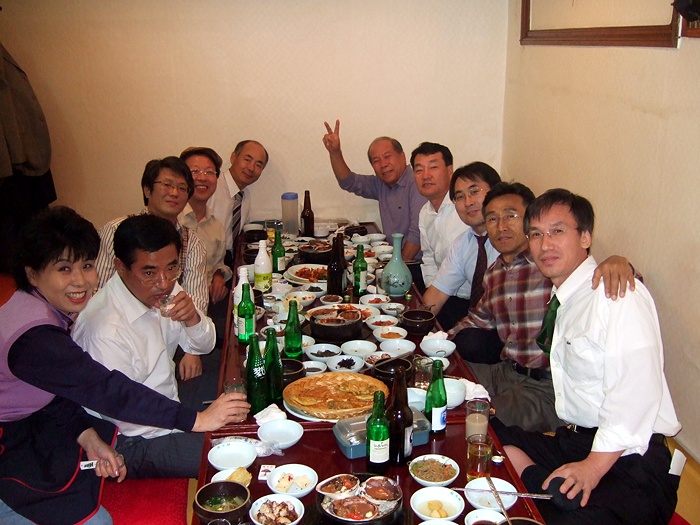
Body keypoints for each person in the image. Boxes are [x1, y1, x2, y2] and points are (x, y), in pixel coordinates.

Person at [0, 207, 248, 524]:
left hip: (58, 423)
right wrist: (196, 420)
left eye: (87, 265)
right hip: (61, 440)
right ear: (32, 274)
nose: (80, 281)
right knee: (229, 451)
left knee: (240, 402)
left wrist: (87, 437)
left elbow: (58, 394)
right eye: (64, 269)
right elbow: (110, 393)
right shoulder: (40, 337)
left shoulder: (43, 309)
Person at [499, 189, 680, 524]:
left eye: (557, 231)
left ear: (585, 237)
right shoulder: (567, 297)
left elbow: (634, 394)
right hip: (576, 440)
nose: (545, 244)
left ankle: (550, 496)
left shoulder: (617, 294)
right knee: (487, 435)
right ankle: (548, 490)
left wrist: (593, 468)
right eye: (536, 234)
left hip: (632, 459)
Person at [449, 182, 637, 432]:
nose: (501, 226)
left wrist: (619, 263)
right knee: (442, 377)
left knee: (476, 419)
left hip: (545, 387)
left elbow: (606, 284)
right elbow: (477, 318)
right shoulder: (494, 273)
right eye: (492, 219)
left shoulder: (550, 266)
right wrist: (440, 342)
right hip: (506, 371)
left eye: (510, 216)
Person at [73, 214, 245, 479]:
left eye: (172, 268)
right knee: (236, 453)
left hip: (168, 401)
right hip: (134, 437)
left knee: (244, 382)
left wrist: (193, 318)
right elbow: (127, 411)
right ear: (120, 267)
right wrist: (197, 422)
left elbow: (205, 344)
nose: (164, 283)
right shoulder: (104, 331)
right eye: (149, 273)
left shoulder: (163, 288)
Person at [94, 156, 209, 382]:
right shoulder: (116, 231)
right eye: (167, 185)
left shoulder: (192, 242)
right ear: (147, 190)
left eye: (182, 188)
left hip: (173, 334)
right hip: (125, 338)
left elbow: (197, 300)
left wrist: (192, 350)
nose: (174, 193)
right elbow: (97, 288)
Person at [322, 120, 426, 264]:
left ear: (402, 156)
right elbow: (348, 182)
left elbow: (418, 233)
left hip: (415, 264)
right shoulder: (381, 183)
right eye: (376, 161)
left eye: (387, 156)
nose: (383, 164)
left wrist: (396, 267)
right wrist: (335, 152)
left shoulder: (416, 182)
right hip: (393, 257)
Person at [422, 162, 501, 329]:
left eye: (474, 192)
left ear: (496, 192)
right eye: (459, 197)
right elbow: (437, 293)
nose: (468, 202)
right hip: (477, 322)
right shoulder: (463, 244)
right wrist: (410, 323)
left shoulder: (510, 240)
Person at [178, 146, 231, 345]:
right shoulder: (174, 220)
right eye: (195, 171)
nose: (202, 178)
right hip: (179, 309)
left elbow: (218, 262)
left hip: (209, 301)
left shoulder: (216, 225)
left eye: (209, 172)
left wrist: (218, 276)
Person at [412, 142, 469, 293]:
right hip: (440, 294)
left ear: (450, 171)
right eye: (419, 170)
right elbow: (429, 258)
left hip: (469, 297)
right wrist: (432, 291)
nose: (426, 176)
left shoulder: (464, 208)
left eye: (433, 167)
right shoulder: (425, 212)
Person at [207, 140, 269, 263]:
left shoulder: (245, 196)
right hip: (208, 261)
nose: (251, 168)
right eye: (247, 160)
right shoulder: (212, 187)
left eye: (258, 165)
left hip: (230, 260)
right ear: (233, 157)